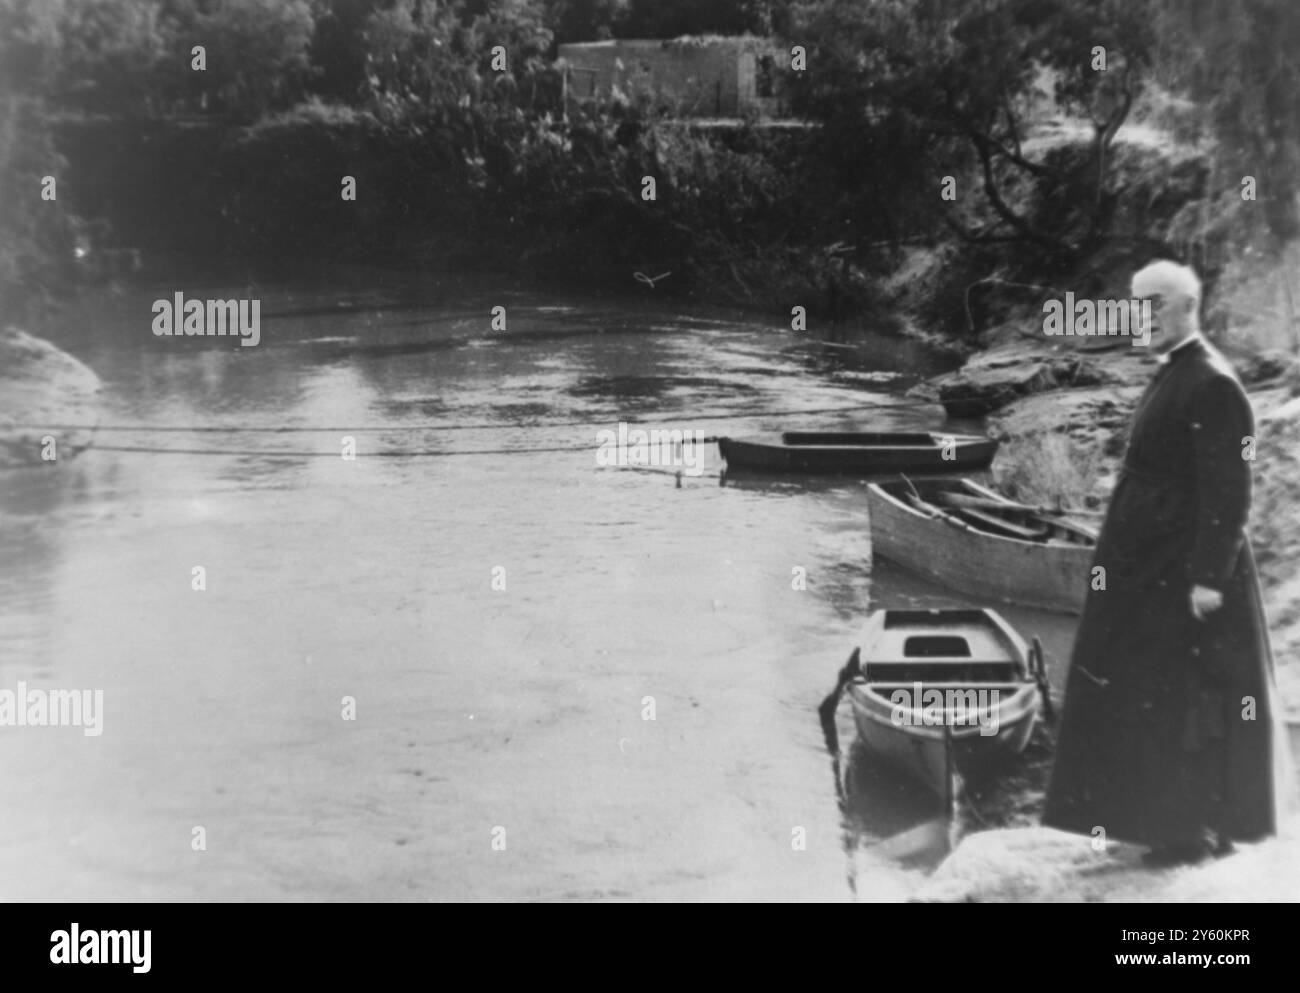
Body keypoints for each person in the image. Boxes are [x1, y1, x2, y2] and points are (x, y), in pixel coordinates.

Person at [1042, 260, 1293, 865]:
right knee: (1146, 693)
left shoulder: (1213, 382)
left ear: (1187, 306)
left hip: (1185, 572)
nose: (1143, 316)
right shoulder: (1174, 370)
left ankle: (1190, 835)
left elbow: (1229, 490)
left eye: (1154, 304)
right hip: (1150, 566)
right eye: (1136, 304)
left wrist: (1208, 578)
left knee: (1189, 702)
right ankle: (1156, 822)